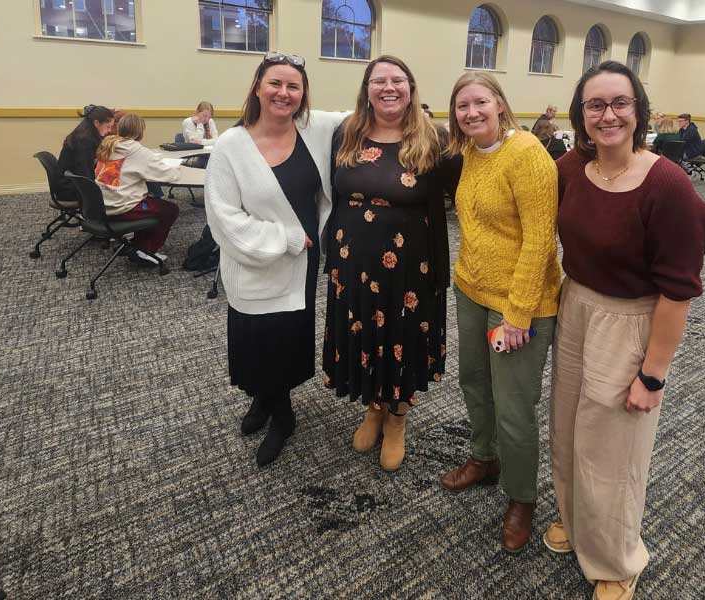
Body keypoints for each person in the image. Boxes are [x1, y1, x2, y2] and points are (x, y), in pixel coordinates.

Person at [546, 61, 705, 600]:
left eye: (620, 103)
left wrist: (654, 374)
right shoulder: (574, 166)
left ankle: (618, 559)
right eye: (595, 105)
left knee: (613, 449)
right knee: (569, 428)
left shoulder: (666, 183)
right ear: (581, 115)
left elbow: (678, 291)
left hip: (632, 318)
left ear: (639, 110)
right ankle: (576, 523)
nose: (608, 115)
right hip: (575, 305)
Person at [205, 53, 347, 467]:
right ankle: (267, 402)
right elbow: (224, 217)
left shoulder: (315, 128)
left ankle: (280, 412)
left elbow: (366, 110)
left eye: (293, 86)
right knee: (255, 338)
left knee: (286, 337)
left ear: (303, 95)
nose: (284, 93)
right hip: (256, 260)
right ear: (258, 88)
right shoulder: (232, 145)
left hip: (301, 263)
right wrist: (284, 238)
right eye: (275, 84)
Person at [439, 71, 560, 554]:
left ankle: (522, 498)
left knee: (514, 406)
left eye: (479, 103)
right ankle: (483, 457)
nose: (471, 113)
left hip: (519, 302)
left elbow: (539, 239)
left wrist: (518, 314)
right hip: (471, 289)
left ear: (499, 104)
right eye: (462, 106)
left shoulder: (527, 154)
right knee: (474, 382)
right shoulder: (469, 150)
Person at [322, 55, 455, 472]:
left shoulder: (435, 138)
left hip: (408, 268)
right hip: (353, 264)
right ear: (367, 89)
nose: (389, 87)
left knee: (398, 335)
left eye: (398, 80)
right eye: (379, 80)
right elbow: (333, 191)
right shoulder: (347, 133)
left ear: (412, 88)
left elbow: (474, 187)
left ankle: (396, 417)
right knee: (363, 332)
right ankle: (373, 408)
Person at [94, 113, 182, 267]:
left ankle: (135, 245)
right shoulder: (137, 151)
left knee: (151, 202)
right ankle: (146, 250)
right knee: (169, 209)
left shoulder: (109, 144)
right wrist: (176, 169)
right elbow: (170, 175)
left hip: (100, 204)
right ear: (140, 131)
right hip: (121, 207)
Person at [55, 105, 115, 200]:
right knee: (114, 193)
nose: (110, 130)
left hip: (68, 184)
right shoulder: (84, 141)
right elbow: (84, 173)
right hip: (68, 190)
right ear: (96, 123)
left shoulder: (85, 133)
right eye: (108, 127)